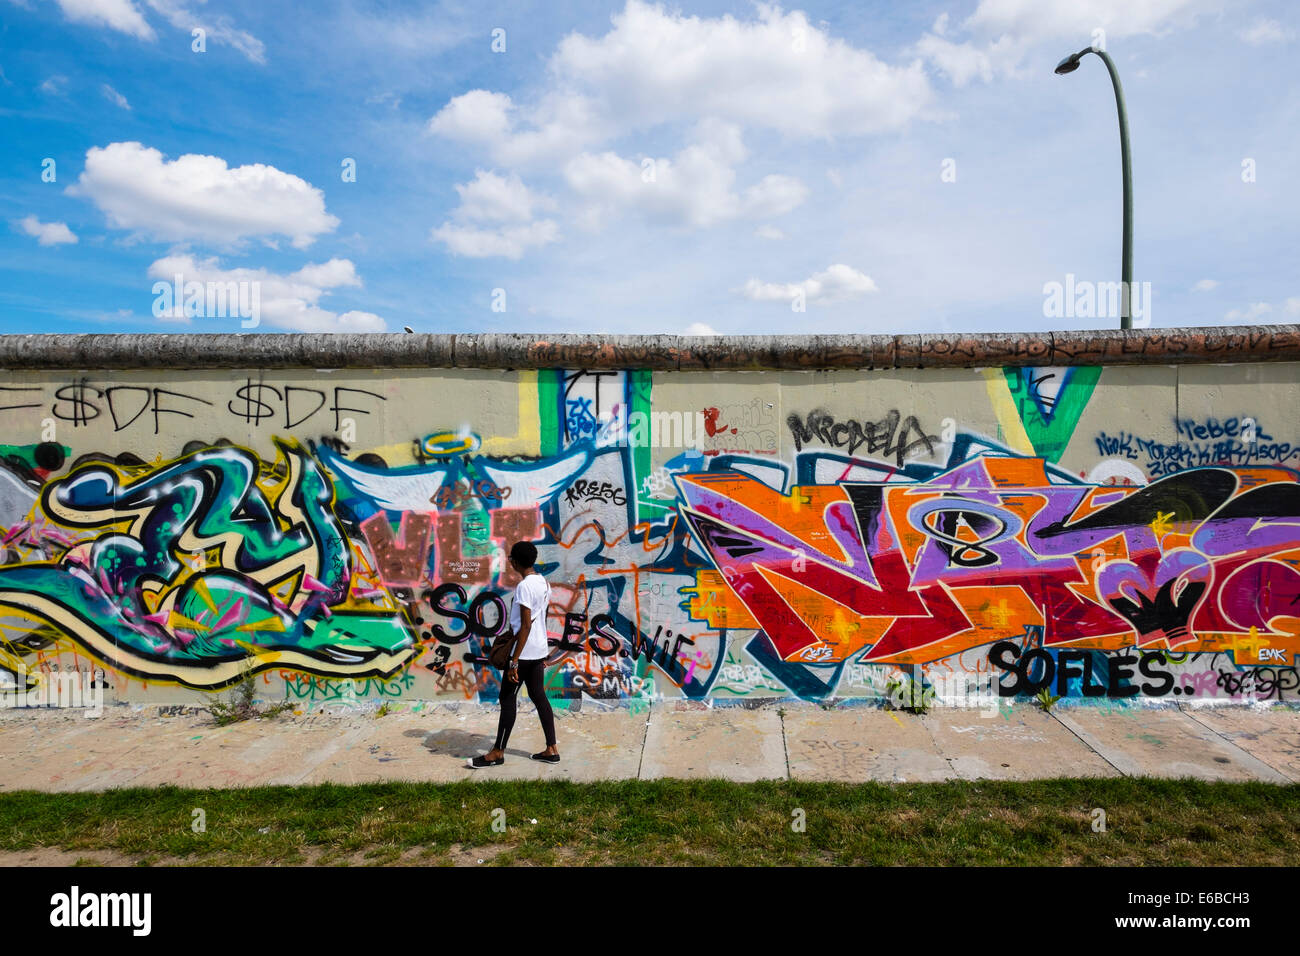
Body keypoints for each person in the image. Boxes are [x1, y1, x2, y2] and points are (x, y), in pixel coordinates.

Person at [467, 541, 559, 768]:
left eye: (510, 558)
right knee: (539, 696)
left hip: (524, 653)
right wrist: (543, 653)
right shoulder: (544, 583)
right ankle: (552, 749)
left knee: (507, 699)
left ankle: (497, 752)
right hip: (537, 650)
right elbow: (540, 620)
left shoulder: (525, 586)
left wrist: (514, 660)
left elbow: (525, 626)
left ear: (516, 562)